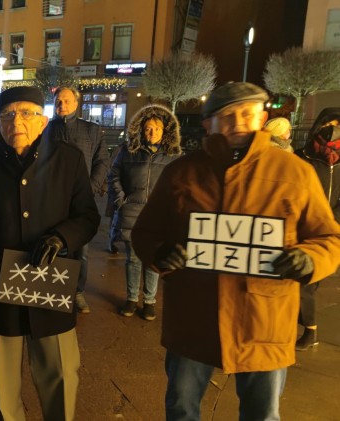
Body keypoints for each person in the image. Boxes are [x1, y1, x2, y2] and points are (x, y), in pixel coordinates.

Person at [131, 82, 340, 420]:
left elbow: (328, 238)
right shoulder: (181, 173)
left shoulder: (295, 173)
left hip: (264, 322)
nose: (239, 121)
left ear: (262, 117)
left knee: (262, 415)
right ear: (208, 123)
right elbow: (145, 232)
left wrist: (310, 259)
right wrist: (159, 252)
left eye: (248, 112)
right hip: (194, 319)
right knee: (181, 409)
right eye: (228, 115)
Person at [0, 86, 100, 420]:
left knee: (60, 378)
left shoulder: (68, 159)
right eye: (8, 114)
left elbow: (88, 216)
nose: (17, 121)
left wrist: (62, 237)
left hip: (50, 286)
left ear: (43, 121)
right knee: (3, 388)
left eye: (27, 113)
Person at [109, 104, 182, 321]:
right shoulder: (127, 151)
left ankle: (149, 301)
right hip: (132, 211)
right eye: (148, 129)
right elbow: (113, 175)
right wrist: (122, 198)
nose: (152, 133)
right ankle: (132, 298)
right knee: (132, 259)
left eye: (157, 129)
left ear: (165, 131)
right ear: (141, 130)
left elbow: (180, 183)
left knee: (153, 260)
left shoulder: (173, 155)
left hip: (158, 217)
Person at [47, 86, 109, 314]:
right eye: (57, 101)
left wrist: (90, 187)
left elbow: (103, 161)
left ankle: (77, 292)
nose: (61, 105)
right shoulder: (46, 129)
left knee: (81, 248)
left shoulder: (91, 130)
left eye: (66, 101)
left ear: (76, 104)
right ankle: (54, 287)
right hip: (52, 199)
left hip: (82, 200)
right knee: (53, 243)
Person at [294, 107, 340, 351]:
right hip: (301, 227)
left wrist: (333, 222)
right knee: (302, 283)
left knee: (310, 283)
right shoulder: (302, 156)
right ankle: (306, 327)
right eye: (328, 125)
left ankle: (309, 329)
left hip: (329, 232)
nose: (332, 131)